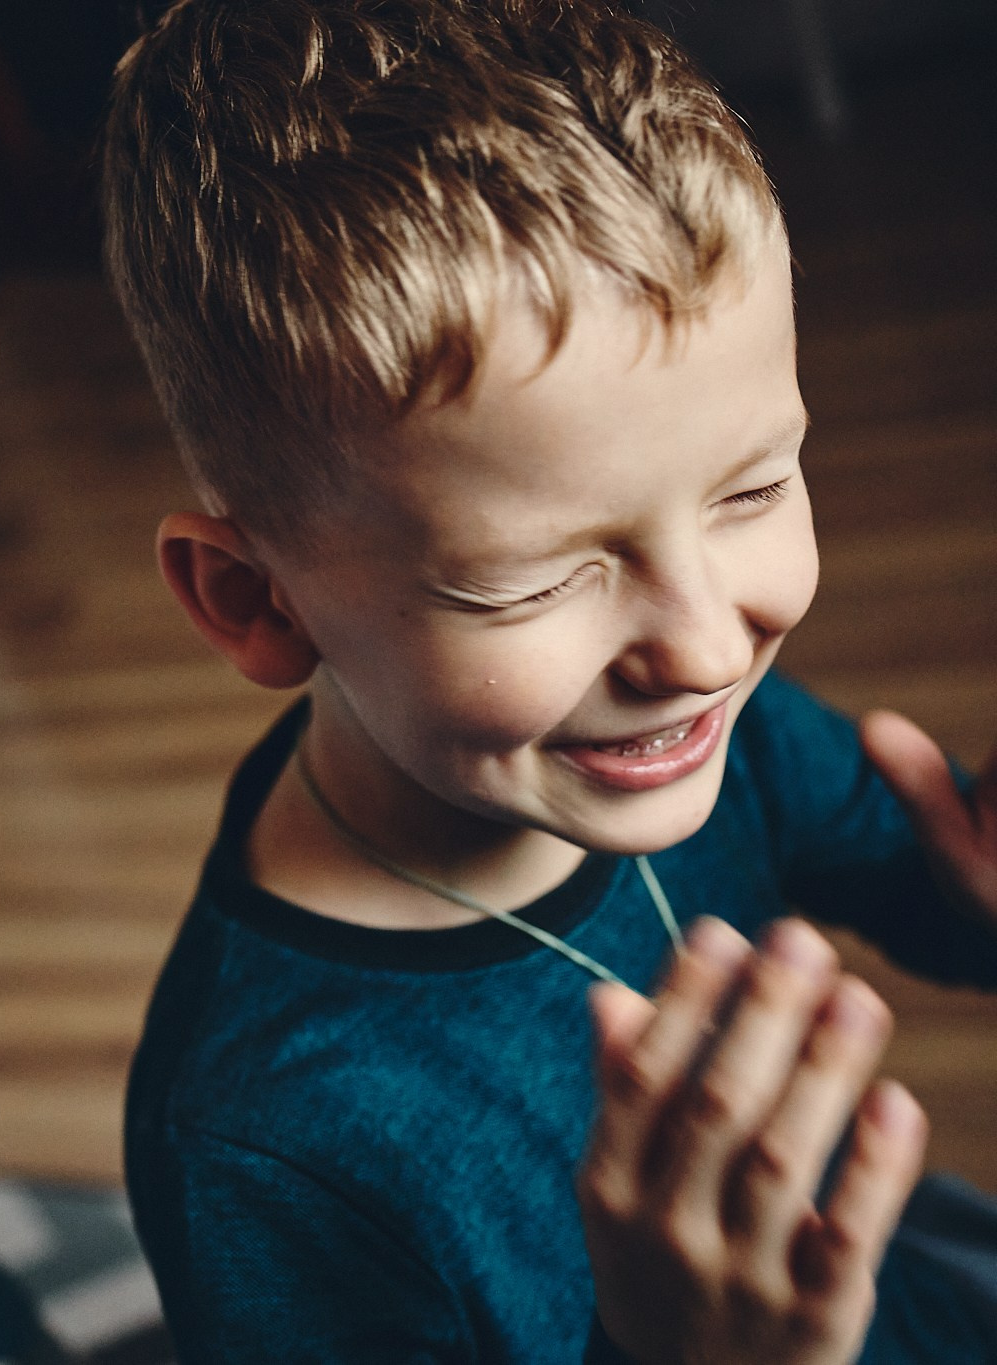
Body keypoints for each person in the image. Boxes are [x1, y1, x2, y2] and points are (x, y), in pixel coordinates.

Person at [101, 2, 997, 1361]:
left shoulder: (699, 728)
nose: (706, 650)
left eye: (754, 489)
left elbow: (916, 885)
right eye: (533, 582)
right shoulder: (258, 1149)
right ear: (256, 601)